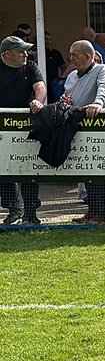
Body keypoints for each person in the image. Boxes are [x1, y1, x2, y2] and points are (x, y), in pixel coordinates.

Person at [61, 40, 105, 224]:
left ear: (88, 57)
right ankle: (92, 210)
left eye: (74, 55)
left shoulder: (102, 70)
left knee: (102, 170)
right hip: (78, 128)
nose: (71, 58)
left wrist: (98, 103)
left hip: (99, 128)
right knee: (86, 170)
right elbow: (69, 97)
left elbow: (104, 89)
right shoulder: (71, 77)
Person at [0, 35, 46, 224]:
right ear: (7, 54)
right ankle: (13, 209)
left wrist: (38, 100)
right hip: (3, 128)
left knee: (28, 168)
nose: (26, 54)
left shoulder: (31, 66)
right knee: (5, 169)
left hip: (27, 126)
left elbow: (40, 86)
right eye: (21, 51)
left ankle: (31, 211)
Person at [44, 32, 65, 100]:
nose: (48, 41)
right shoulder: (36, 53)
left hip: (52, 84)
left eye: (49, 39)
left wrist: (61, 80)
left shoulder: (56, 53)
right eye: (45, 39)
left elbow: (63, 67)